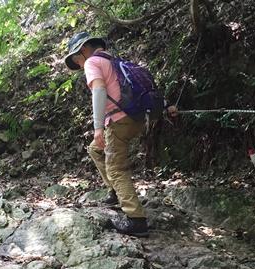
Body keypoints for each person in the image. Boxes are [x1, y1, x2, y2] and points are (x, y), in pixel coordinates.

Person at [64, 32, 177, 237]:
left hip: (118, 121)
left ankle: (136, 219)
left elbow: (99, 91)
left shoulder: (92, 63)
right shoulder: (118, 63)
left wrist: (98, 127)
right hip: (139, 118)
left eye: (77, 59)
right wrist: (166, 106)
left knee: (116, 169)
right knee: (95, 149)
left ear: (84, 49)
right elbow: (142, 88)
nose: (80, 65)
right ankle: (115, 191)